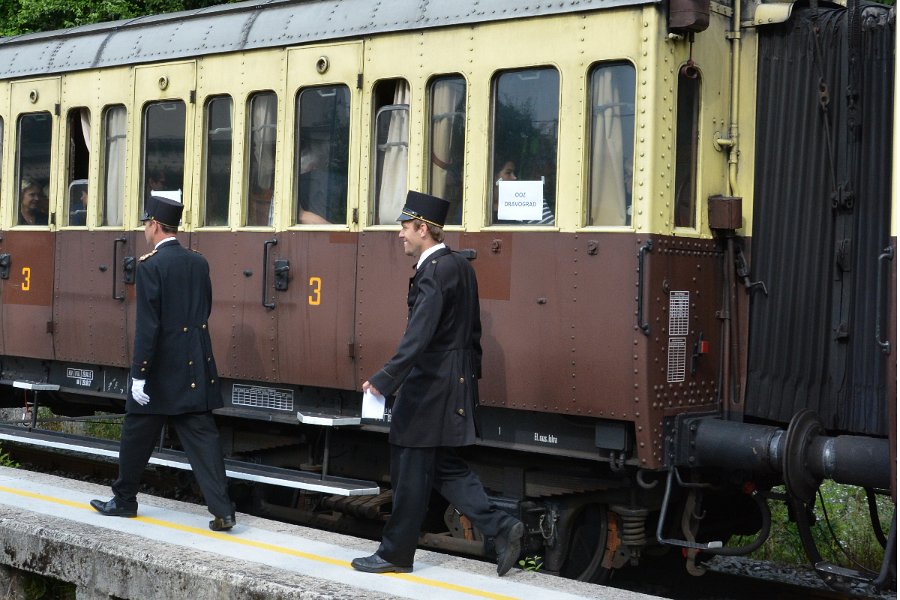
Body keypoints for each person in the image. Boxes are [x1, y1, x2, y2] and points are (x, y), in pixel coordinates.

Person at [351, 191, 524, 576]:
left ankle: (395, 554)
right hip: (452, 385)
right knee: (444, 467)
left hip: (427, 387)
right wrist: (467, 383)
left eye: (404, 228)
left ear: (423, 229)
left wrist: (384, 380)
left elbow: (419, 335)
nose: (400, 235)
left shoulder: (432, 272)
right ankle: (502, 526)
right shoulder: (461, 267)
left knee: (410, 470)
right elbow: (474, 334)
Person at [91, 196, 235, 532]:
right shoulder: (198, 263)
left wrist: (139, 375)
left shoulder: (151, 266)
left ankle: (124, 501)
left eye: (145, 224)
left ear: (154, 225)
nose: (144, 229)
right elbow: (205, 311)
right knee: (203, 441)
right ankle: (223, 510)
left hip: (158, 373)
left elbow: (148, 326)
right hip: (194, 367)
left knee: (135, 436)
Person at [491, 161, 554, 225]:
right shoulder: (486, 208)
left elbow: (551, 231)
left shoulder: (530, 198)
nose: (514, 177)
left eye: (514, 173)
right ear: (494, 178)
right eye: (508, 173)